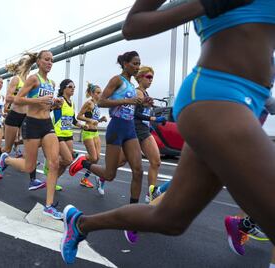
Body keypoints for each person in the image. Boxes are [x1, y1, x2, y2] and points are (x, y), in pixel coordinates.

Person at [60, 0, 275, 264]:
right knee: (117, 171)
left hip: (251, 102)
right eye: (139, 68)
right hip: (216, 97)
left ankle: (80, 223)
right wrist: (205, 4)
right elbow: (133, 24)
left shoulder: (136, 87)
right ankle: (87, 169)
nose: (143, 72)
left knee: (170, 219)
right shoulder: (120, 81)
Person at [68, 51, 145, 242]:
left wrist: (143, 102)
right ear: (125, 64)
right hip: (116, 128)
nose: (137, 67)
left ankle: (132, 219)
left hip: (129, 129)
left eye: (139, 64)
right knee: (110, 175)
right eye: (134, 63)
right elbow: (102, 101)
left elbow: (130, 106)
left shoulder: (133, 85)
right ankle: (83, 163)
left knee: (138, 170)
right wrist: (127, 100)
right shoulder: (117, 80)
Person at [0, 50, 64, 219]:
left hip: (47, 124)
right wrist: (38, 100)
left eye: (52, 60)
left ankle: (48, 206)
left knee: (54, 162)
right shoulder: (33, 79)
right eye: (47, 60)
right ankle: (6, 159)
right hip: (32, 124)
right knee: (29, 166)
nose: (50, 63)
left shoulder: (52, 83)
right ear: (39, 62)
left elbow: (46, 106)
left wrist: (55, 103)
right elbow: (16, 99)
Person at [2, 54, 46, 188]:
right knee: (7, 148)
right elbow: (8, 98)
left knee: (31, 149)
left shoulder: (31, 80)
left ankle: (33, 180)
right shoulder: (16, 79)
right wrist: (20, 97)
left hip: (27, 117)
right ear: (22, 65)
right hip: (15, 115)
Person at [134, 66, 167, 202]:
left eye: (152, 77)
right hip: (134, 131)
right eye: (148, 77)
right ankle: (101, 177)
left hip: (144, 131)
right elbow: (136, 114)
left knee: (156, 161)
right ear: (140, 77)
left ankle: (150, 194)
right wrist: (154, 119)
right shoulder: (137, 93)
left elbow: (146, 112)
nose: (151, 80)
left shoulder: (146, 94)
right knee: (120, 162)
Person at [50, 79, 87, 187]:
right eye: (70, 87)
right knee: (68, 159)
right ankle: (52, 164)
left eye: (74, 87)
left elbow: (73, 120)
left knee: (66, 163)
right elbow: (49, 110)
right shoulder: (60, 100)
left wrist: (82, 125)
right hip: (58, 134)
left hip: (68, 135)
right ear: (63, 88)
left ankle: (53, 181)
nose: (73, 89)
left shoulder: (72, 103)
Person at [76, 83, 107, 191]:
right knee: (93, 157)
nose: (100, 94)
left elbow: (94, 119)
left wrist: (101, 120)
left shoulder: (97, 104)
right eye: (98, 93)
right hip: (88, 132)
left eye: (101, 92)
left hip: (95, 132)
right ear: (92, 94)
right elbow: (78, 116)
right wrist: (89, 121)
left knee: (97, 158)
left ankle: (85, 179)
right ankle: (79, 157)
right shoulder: (89, 103)